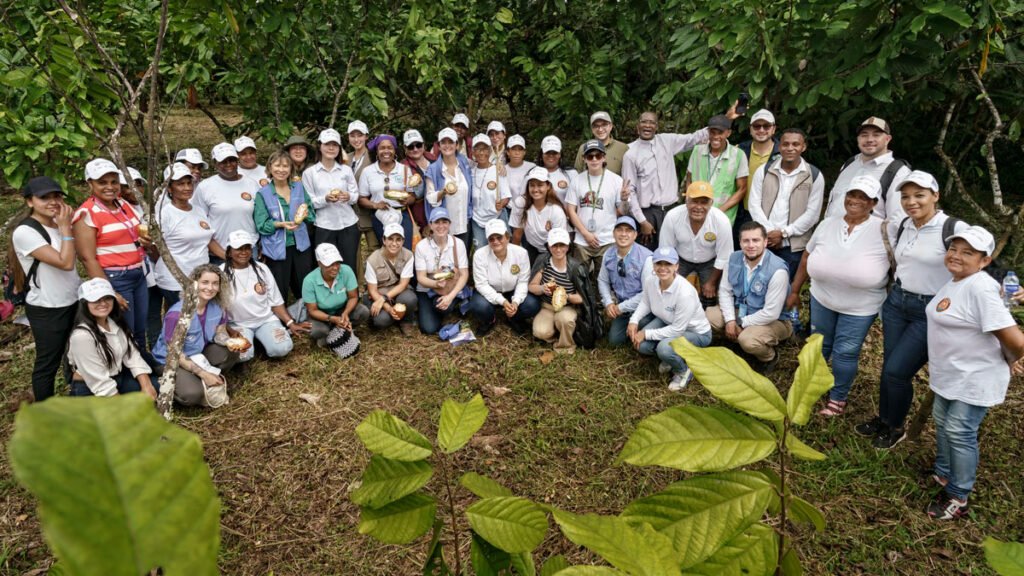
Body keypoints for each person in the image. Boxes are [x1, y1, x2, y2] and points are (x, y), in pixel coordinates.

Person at [855, 170, 970, 449]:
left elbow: (978, 258)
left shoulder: (952, 227)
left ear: (935, 196)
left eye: (919, 195)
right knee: (889, 367)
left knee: (897, 371)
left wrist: (1009, 284)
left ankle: (896, 427)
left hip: (929, 310)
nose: (911, 202)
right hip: (897, 302)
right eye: (905, 197)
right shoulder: (906, 224)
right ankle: (884, 419)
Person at [924, 226, 1024, 520]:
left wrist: (1015, 357)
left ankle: (958, 495)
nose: (956, 255)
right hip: (950, 373)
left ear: (984, 261)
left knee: (959, 431)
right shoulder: (957, 281)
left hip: (975, 376)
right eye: (953, 249)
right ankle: (944, 473)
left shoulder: (980, 288)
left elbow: (1015, 339)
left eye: (967, 252)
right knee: (943, 422)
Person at [787, 176, 889, 416]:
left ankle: (837, 398)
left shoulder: (884, 229)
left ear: (874, 203)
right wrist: (795, 290)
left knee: (845, 351)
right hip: (822, 297)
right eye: (852, 195)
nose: (855, 200)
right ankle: (809, 388)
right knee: (818, 345)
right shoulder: (828, 224)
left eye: (863, 197)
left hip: (860, 306)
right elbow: (807, 256)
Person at [73, 158, 153, 365]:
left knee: (140, 326)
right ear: (90, 183)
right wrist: (109, 292)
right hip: (116, 277)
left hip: (138, 272)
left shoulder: (123, 204)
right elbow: (87, 257)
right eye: (102, 182)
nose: (110, 187)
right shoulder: (86, 213)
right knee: (125, 328)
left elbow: (133, 234)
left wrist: (143, 241)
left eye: (113, 181)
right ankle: (126, 372)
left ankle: (142, 364)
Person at [9, 176, 81, 401]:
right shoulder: (26, 232)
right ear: (30, 201)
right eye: (44, 198)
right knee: (48, 362)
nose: (53, 202)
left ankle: (76, 396)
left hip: (73, 299)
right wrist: (66, 228)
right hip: (48, 307)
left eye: (57, 196)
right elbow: (65, 262)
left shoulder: (58, 224)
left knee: (77, 353)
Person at [622, 109, 728, 249]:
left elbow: (694, 138)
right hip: (647, 214)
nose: (647, 125)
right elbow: (630, 190)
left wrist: (727, 118)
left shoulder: (667, 141)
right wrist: (642, 221)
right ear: (638, 126)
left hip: (671, 211)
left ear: (657, 126)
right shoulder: (630, 153)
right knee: (647, 254)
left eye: (652, 123)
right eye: (644, 122)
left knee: (671, 252)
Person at [706, 222, 792, 373]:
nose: (751, 245)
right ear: (740, 242)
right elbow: (725, 291)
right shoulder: (733, 259)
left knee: (748, 340)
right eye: (746, 241)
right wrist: (730, 321)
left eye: (756, 240)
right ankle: (734, 338)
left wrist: (740, 323)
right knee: (709, 317)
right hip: (742, 310)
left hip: (774, 320)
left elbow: (771, 313)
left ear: (765, 242)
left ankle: (769, 356)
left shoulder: (778, 271)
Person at [152, 264, 240, 407]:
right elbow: (175, 353)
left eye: (215, 283)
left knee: (232, 351)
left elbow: (220, 334)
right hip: (171, 360)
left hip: (197, 353)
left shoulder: (218, 307)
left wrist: (231, 342)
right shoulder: (177, 314)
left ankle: (203, 378)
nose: (210, 288)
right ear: (194, 284)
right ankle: (164, 382)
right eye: (205, 282)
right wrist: (204, 374)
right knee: (192, 394)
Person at [628, 246, 713, 391]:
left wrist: (646, 333)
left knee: (664, 348)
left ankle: (683, 371)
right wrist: (633, 320)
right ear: (653, 265)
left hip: (696, 333)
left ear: (676, 267)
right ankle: (671, 357)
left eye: (668, 264)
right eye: (659, 263)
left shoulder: (685, 292)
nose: (663, 268)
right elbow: (646, 302)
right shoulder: (650, 280)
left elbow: (677, 330)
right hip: (667, 321)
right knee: (641, 345)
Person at [747, 128, 825, 279]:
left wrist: (783, 234)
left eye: (795, 144)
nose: (790, 148)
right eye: (786, 144)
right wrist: (769, 232)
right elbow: (754, 205)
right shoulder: (764, 171)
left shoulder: (814, 176)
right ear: (779, 146)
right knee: (757, 284)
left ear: (803, 147)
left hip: (793, 247)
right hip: (764, 242)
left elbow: (812, 214)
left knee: (786, 287)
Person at [222, 231, 309, 362]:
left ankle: (263, 339)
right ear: (229, 252)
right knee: (242, 354)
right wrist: (227, 329)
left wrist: (290, 323)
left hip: (265, 320)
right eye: (238, 248)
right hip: (238, 324)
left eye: (247, 248)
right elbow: (218, 309)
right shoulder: (221, 273)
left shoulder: (262, 269)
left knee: (283, 348)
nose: (244, 252)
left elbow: (276, 301)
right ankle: (255, 341)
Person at [67, 278, 155, 399]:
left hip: (117, 378)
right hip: (90, 388)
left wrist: (146, 386)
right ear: (84, 303)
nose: (103, 303)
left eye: (107, 298)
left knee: (158, 387)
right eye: (96, 299)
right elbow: (99, 382)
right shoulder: (81, 336)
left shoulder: (114, 322)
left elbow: (132, 355)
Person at [154, 163, 222, 305]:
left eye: (189, 183)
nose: (187, 188)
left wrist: (230, 256)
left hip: (200, 278)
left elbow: (208, 240)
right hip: (175, 280)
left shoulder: (198, 210)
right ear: (169, 188)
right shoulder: (164, 214)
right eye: (180, 184)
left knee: (200, 315)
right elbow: (154, 247)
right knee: (184, 316)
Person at [253, 150, 316, 303]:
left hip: (301, 247)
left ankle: (307, 315)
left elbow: (311, 213)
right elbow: (261, 225)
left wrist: (305, 214)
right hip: (277, 250)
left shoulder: (298, 187)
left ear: (291, 168)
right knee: (279, 291)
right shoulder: (263, 194)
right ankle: (281, 318)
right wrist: (279, 224)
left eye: (285, 166)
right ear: (270, 167)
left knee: (305, 287)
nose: (281, 170)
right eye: (277, 166)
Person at [659, 181, 733, 308]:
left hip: (709, 261)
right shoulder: (672, 216)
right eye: (694, 201)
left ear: (711, 204)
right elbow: (665, 250)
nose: (698, 207)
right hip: (679, 259)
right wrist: (671, 276)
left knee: (709, 296)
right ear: (686, 201)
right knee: (669, 289)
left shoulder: (722, 221)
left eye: (704, 202)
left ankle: (705, 317)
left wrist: (711, 282)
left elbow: (724, 256)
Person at [823, 116, 911, 222]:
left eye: (876, 135)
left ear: (887, 139)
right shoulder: (849, 164)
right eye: (864, 135)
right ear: (858, 139)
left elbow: (898, 219)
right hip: (830, 230)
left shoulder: (897, 172)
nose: (869, 140)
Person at [565, 139, 627, 278]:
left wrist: (624, 199)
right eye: (590, 156)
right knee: (580, 278)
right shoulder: (577, 180)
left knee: (604, 279)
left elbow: (622, 211)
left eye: (598, 156)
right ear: (584, 159)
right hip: (582, 240)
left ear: (604, 157)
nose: (594, 160)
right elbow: (571, 210)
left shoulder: (616, 180)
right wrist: (585, 233)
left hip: (607, 239)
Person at [302, 128, 361, 270]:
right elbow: (309, 202)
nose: (331, 148)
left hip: (348, 224)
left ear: (339, 148)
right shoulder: (310, 173)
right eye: (327, 144)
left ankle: (350, 286)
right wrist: (325, 199)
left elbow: (355, 195)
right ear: (320, 146)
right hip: (324, 226)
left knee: (349, 266)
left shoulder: (346, 170)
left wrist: (348, 196)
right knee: (326, 267)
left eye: (335, 145)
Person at [470, 219, 540, 336]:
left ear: (507, 237)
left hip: (512, 290)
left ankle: (513, 317)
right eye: (491, 239)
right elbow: (481, 284)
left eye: (499, 237)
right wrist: (502, 301)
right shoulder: (479, 255)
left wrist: (516, 302)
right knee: (478, 306)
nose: (496, 241)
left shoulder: (521, 253)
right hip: (490, 291)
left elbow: (523, 281)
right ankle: (490, 320)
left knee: (533, 304)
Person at [191, 143, 257, 265]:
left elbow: (259, 218)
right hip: (219, 255)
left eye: (231, 160)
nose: (228, 164)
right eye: (223, 161)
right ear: (215, 163)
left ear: (237, 160)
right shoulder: (205, 187)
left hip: (249, 252)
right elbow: (199, 224)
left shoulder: (252, 184)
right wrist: (225, 255)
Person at [528, 228, 588, 353]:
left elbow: (582, 298)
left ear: (568, 247)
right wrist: (542, 288)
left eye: (562, 245)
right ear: (549, 247)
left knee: (565, 319)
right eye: (554, 245)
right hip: (547, 306)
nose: (558, 249)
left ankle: (565, 346)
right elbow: (531, 286)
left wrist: (567, 296)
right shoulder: (543, 262)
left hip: (567, 307)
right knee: (540, 332)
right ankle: (556, 334)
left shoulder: (575, 267)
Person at [414, 208, 470, 335]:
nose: (441, 226)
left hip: (450, 288)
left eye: (444, 222)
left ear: (449, 224)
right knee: (428, 328)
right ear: (430, 225)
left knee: (445, 307)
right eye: (437, 222)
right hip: (427, 289)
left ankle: (448, 306)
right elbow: (421, 277)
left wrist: (450, 297)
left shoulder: (458, 244)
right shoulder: (421, 246)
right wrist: (435, 284)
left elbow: (464, 274)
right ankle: (436, 310)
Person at [685, 115, 749, 224]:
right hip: (697, 212)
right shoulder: (697, 151)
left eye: (720, 133)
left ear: (728, 133)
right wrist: (690, 203)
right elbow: (689, 180)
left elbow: (742, 189)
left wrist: (719, 211)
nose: (716, 137)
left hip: (723, 216)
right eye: (712, 132)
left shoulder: (738, 155)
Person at [600, 216, 653, 346]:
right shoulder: (608, 254)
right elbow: (602, 280)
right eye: (619, 230)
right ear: (613, 233)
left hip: (644, 307)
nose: (623, 234)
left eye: (628, 230)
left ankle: (646, 330)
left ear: (635, 235)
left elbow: (648, 293)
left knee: (643, 324)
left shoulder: (646, 257)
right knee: (614, 341)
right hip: (622, 308)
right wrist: (608, 303)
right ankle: (631, 330)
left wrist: (620, 308)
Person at [303, 243, 370, 346]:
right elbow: (313, 310)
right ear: (319, 263)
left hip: (341, 309)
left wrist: (346, 313)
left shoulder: (346, 270)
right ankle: (332, 332)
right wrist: (331, 319)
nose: (335, 268)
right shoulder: (309, 280)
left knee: (363, 312)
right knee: (317, 331)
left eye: (337, 263)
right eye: (330, 264)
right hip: (321, 314)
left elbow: (353, 297)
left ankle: (340, 329)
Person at [359, 134, 419, 247]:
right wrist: (375, 205)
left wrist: (408, 200)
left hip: (402, 214)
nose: (386, 151)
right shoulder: (368, 171)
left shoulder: (404, 169)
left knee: (405, 250)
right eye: (382, 148)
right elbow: (362, 199)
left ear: (394, 150)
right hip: (380, 216)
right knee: (387, 250)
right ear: (377, 151)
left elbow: (412, 196)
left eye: (389, 147)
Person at [734, 109, 780, 247]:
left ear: (773, 129)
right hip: (743, 213)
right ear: (750, 129)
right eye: (757, 126)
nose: (761, 130)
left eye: (766, 126)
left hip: (772, 214)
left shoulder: (783, 152)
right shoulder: (740, 150)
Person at [364, 223, 418, 335]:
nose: (394, 243)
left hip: (397, 293)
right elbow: (372, 290)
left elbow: (403, 284)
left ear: (403, 241)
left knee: (410, 299)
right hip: (378, 294)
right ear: (384, 240)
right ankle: (393, 315)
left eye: (398, 239)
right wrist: (388, 308)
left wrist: (384, 298)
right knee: (381, 321)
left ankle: (406, 320)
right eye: (390, 239)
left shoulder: (408, 255)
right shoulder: (372, 260)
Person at [425, 127, 474, 248]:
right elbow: (430, 198)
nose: (447, 146)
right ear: (439, 146)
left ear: (457, 145)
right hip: (443, 226)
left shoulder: (465, 164)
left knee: (463, 256)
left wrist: (499, 167)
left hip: (464, 223)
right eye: (443, 142)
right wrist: (443, 192)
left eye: (451, 142)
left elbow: (482, 166)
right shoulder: (433, 169)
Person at [510, 167, 568, 263]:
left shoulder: (556, 210)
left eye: (540, 185)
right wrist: (514, 260)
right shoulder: (521, 203)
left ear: (548, 186)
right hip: (531, 246)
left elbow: (559, 242)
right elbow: (517, 234)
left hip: (552, 248)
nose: (535, 189)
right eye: (532, 185)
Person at [469, 134, 511, 250]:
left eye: (484, 149)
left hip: (496, 217)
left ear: (490, 150)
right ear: (473, 152)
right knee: (480, 250)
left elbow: (506, 196)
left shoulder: (498, 170)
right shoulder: (470, 171)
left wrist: (501, 204)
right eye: (478, 149)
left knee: (502, 250)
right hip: (477, 220)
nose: (481, 153)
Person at [400, 129, 434, 239]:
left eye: (418, 145)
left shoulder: (434, 159)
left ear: (424, 145)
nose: (415, 149)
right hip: (419, 214)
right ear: (405, 148)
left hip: (438, 210)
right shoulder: (402, 167)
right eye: (411, 147)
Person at [538, 136, 578, 204]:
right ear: (542, 154)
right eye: (547, 152)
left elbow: (578, 200)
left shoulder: (571, 174)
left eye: (554, 153)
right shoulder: (533, 174)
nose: (551, 155)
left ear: (560, 154)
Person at [504, 134, 536, 201]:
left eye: (520, 150)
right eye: (513, 149)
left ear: (524, 152)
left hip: (528, 206)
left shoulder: (532, 167)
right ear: (508, 152)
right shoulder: (503, 170)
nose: (517, 153)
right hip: (508, 206)